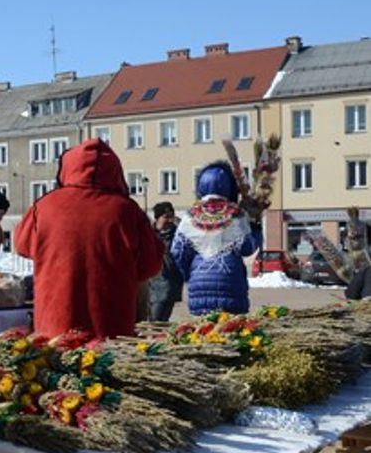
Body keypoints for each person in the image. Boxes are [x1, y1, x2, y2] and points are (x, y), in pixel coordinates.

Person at [15, 138, 163, 339]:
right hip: (111, 327)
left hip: (55, 325)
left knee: (55, 366)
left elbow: (22, 245)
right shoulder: (127, 211)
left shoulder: (44, 207)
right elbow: (150, 265)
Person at [171, 161, 262, 315]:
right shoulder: (236, 214)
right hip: (231, 281)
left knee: (202, 332)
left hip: (199, 281)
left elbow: (177, 252)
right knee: (232, 331)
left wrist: (189, 273)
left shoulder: (190, 215)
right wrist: (256, 229)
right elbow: (248, 247)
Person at [148, 202, 184, 322]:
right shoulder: (149, 234)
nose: (169, 220)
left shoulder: (177, 235)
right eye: (166, 217)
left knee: (163, 319)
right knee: (155, 319)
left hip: (172, 281)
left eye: (171, 216)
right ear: (157, 218)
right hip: (153, 282)